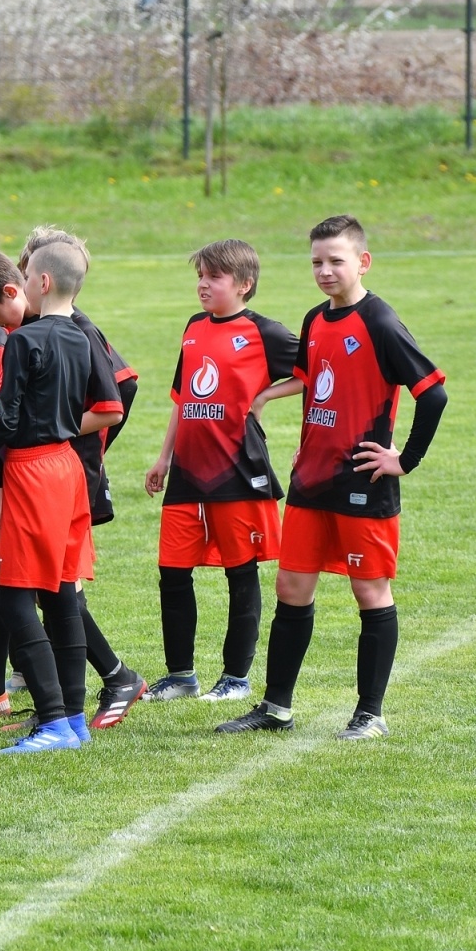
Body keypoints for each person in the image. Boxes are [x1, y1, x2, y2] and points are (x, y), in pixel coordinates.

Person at [220, 215, 446, 740]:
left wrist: (403, 459)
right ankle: (275, 708)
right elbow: (310, 377)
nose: (324, 271)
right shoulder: (316, 319)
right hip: (310, 484)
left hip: (362, 485)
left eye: (335, 261)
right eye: (317, 262)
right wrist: (266, 396)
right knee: (292, 588)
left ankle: (370, 714)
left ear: (362, 262)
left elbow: (432, 392)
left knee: (371, 594)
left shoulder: (381, 322)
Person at [0, 242, 143, 730]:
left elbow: (118, 395)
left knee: (46, 591)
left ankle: (97, 688)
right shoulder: (34, 329)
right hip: (23, 470)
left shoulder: (66, 332)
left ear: (27, 286)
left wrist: (59, 437)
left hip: (41, 475)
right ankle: (6, 694)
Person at [142, 239, 301, 704]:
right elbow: (182, 398)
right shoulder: (193, 328)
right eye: (201, 277)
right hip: (187, 473)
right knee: (172, 571)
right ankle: (180, 675)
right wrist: (163, 456)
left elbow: (316, 370)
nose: (203, 285)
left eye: (214, 277)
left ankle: (236, 678)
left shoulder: (263, 332)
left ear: (244, 284)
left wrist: (267, 395)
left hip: (238, 471)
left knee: (240, 572)